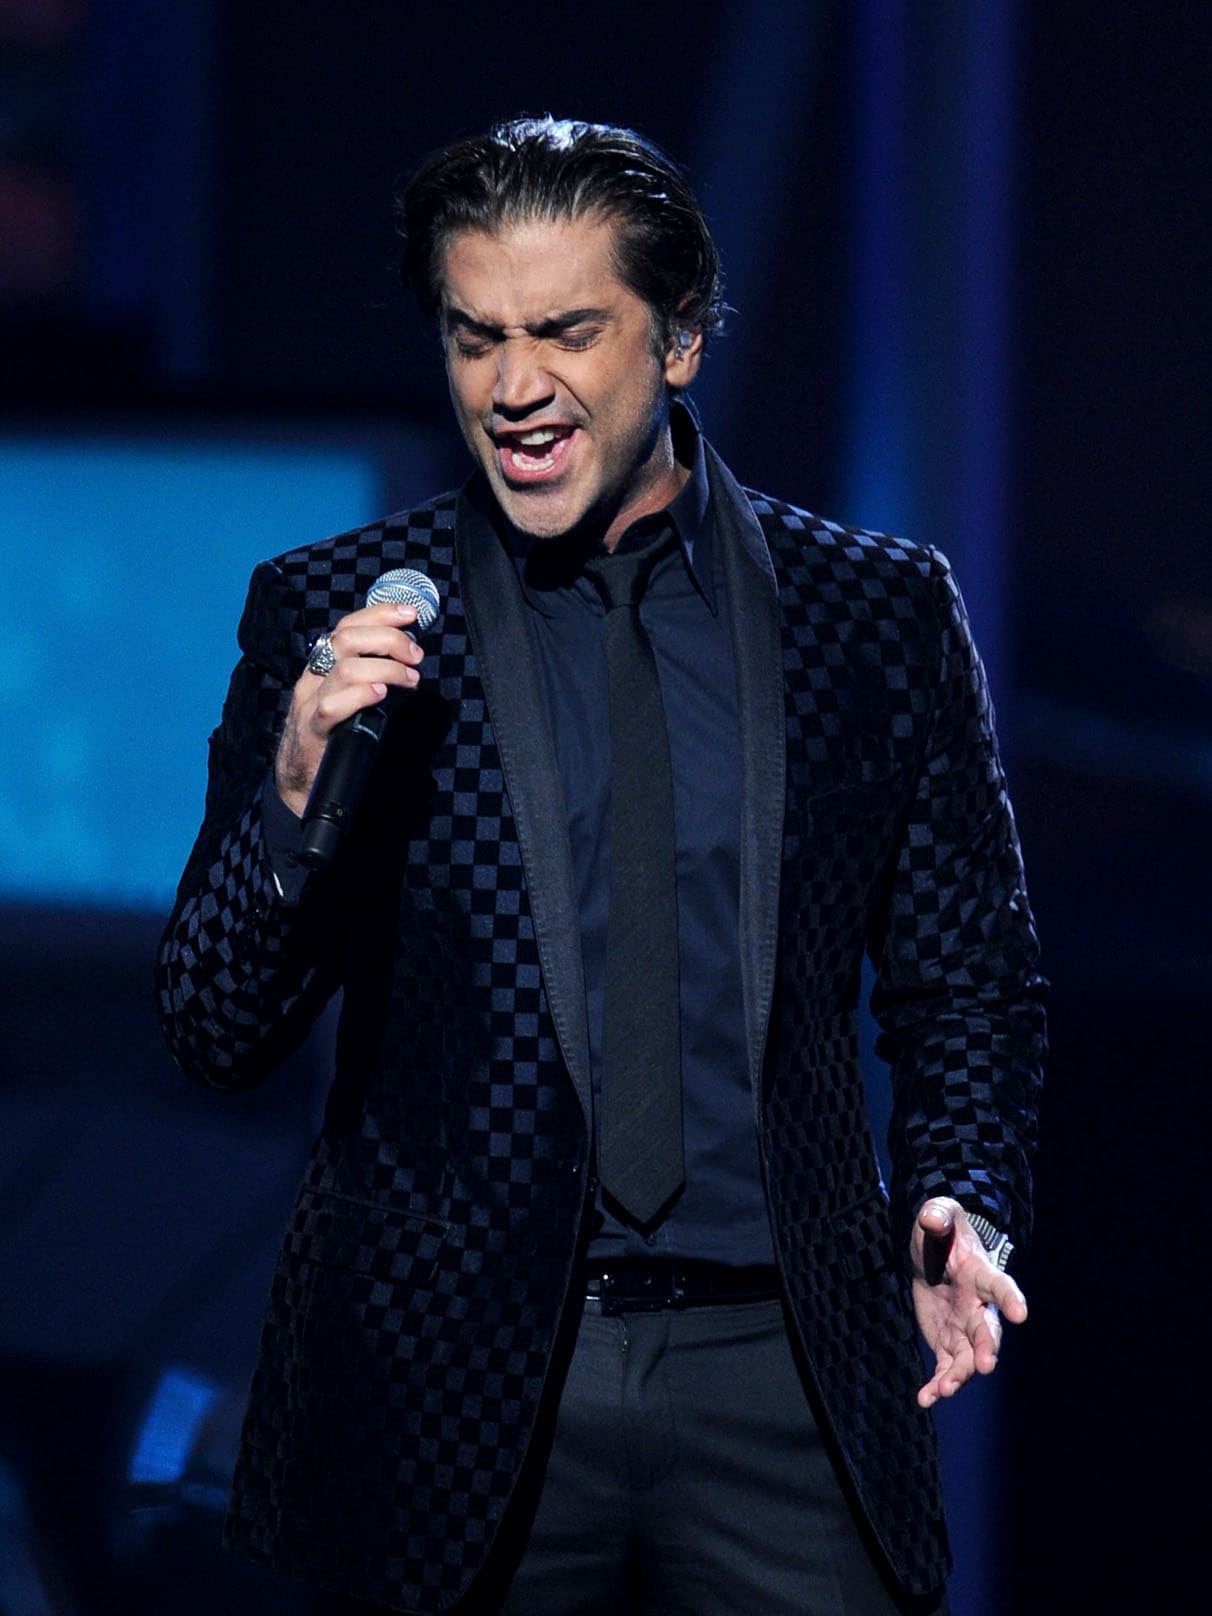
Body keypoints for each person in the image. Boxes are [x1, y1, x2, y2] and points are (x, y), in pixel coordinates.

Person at [156, 116, 1046, 1616]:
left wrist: (964, 1191)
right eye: (475, 337)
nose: (513, 389)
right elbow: (212, 1027)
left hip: (788, 1378)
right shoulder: (335, 616)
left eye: (565, 332)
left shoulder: (873, 614)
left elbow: (971, 975)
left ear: (681, 339)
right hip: (453, 1381)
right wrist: (299, 797)